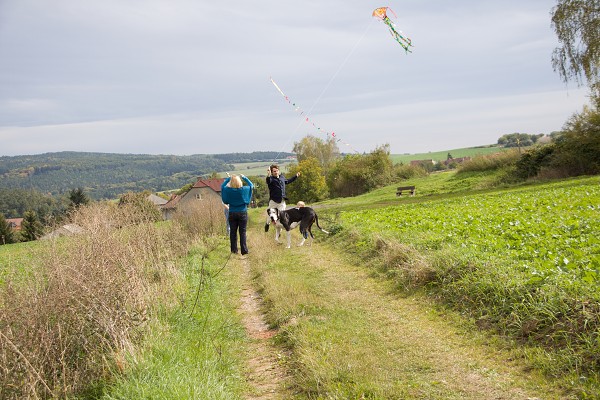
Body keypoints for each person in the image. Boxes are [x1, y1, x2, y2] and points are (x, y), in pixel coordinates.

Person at [221, 174, 254, 256]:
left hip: (232, 212)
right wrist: (244, 177)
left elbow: (222, 186)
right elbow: (251, 185)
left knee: (233, 232)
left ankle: (234, 250)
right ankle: (244, 250)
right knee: (242, 232)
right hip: (242, 212)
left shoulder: (228, 190)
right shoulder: (244, 190)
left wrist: (229, 178)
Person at [265, 164, 301, 232]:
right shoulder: (271, 179)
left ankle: (279, 232)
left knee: (281, 216)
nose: (276, 172)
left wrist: (295, 176)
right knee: (270, 214)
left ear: (278, 171)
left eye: (277, 171)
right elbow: (268, 181)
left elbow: (287, 181)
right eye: (274, 171)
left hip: (282, 201)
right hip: (273, 201)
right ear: (272, 172)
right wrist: (268, 174)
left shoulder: (282, 177)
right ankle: (267, 224)